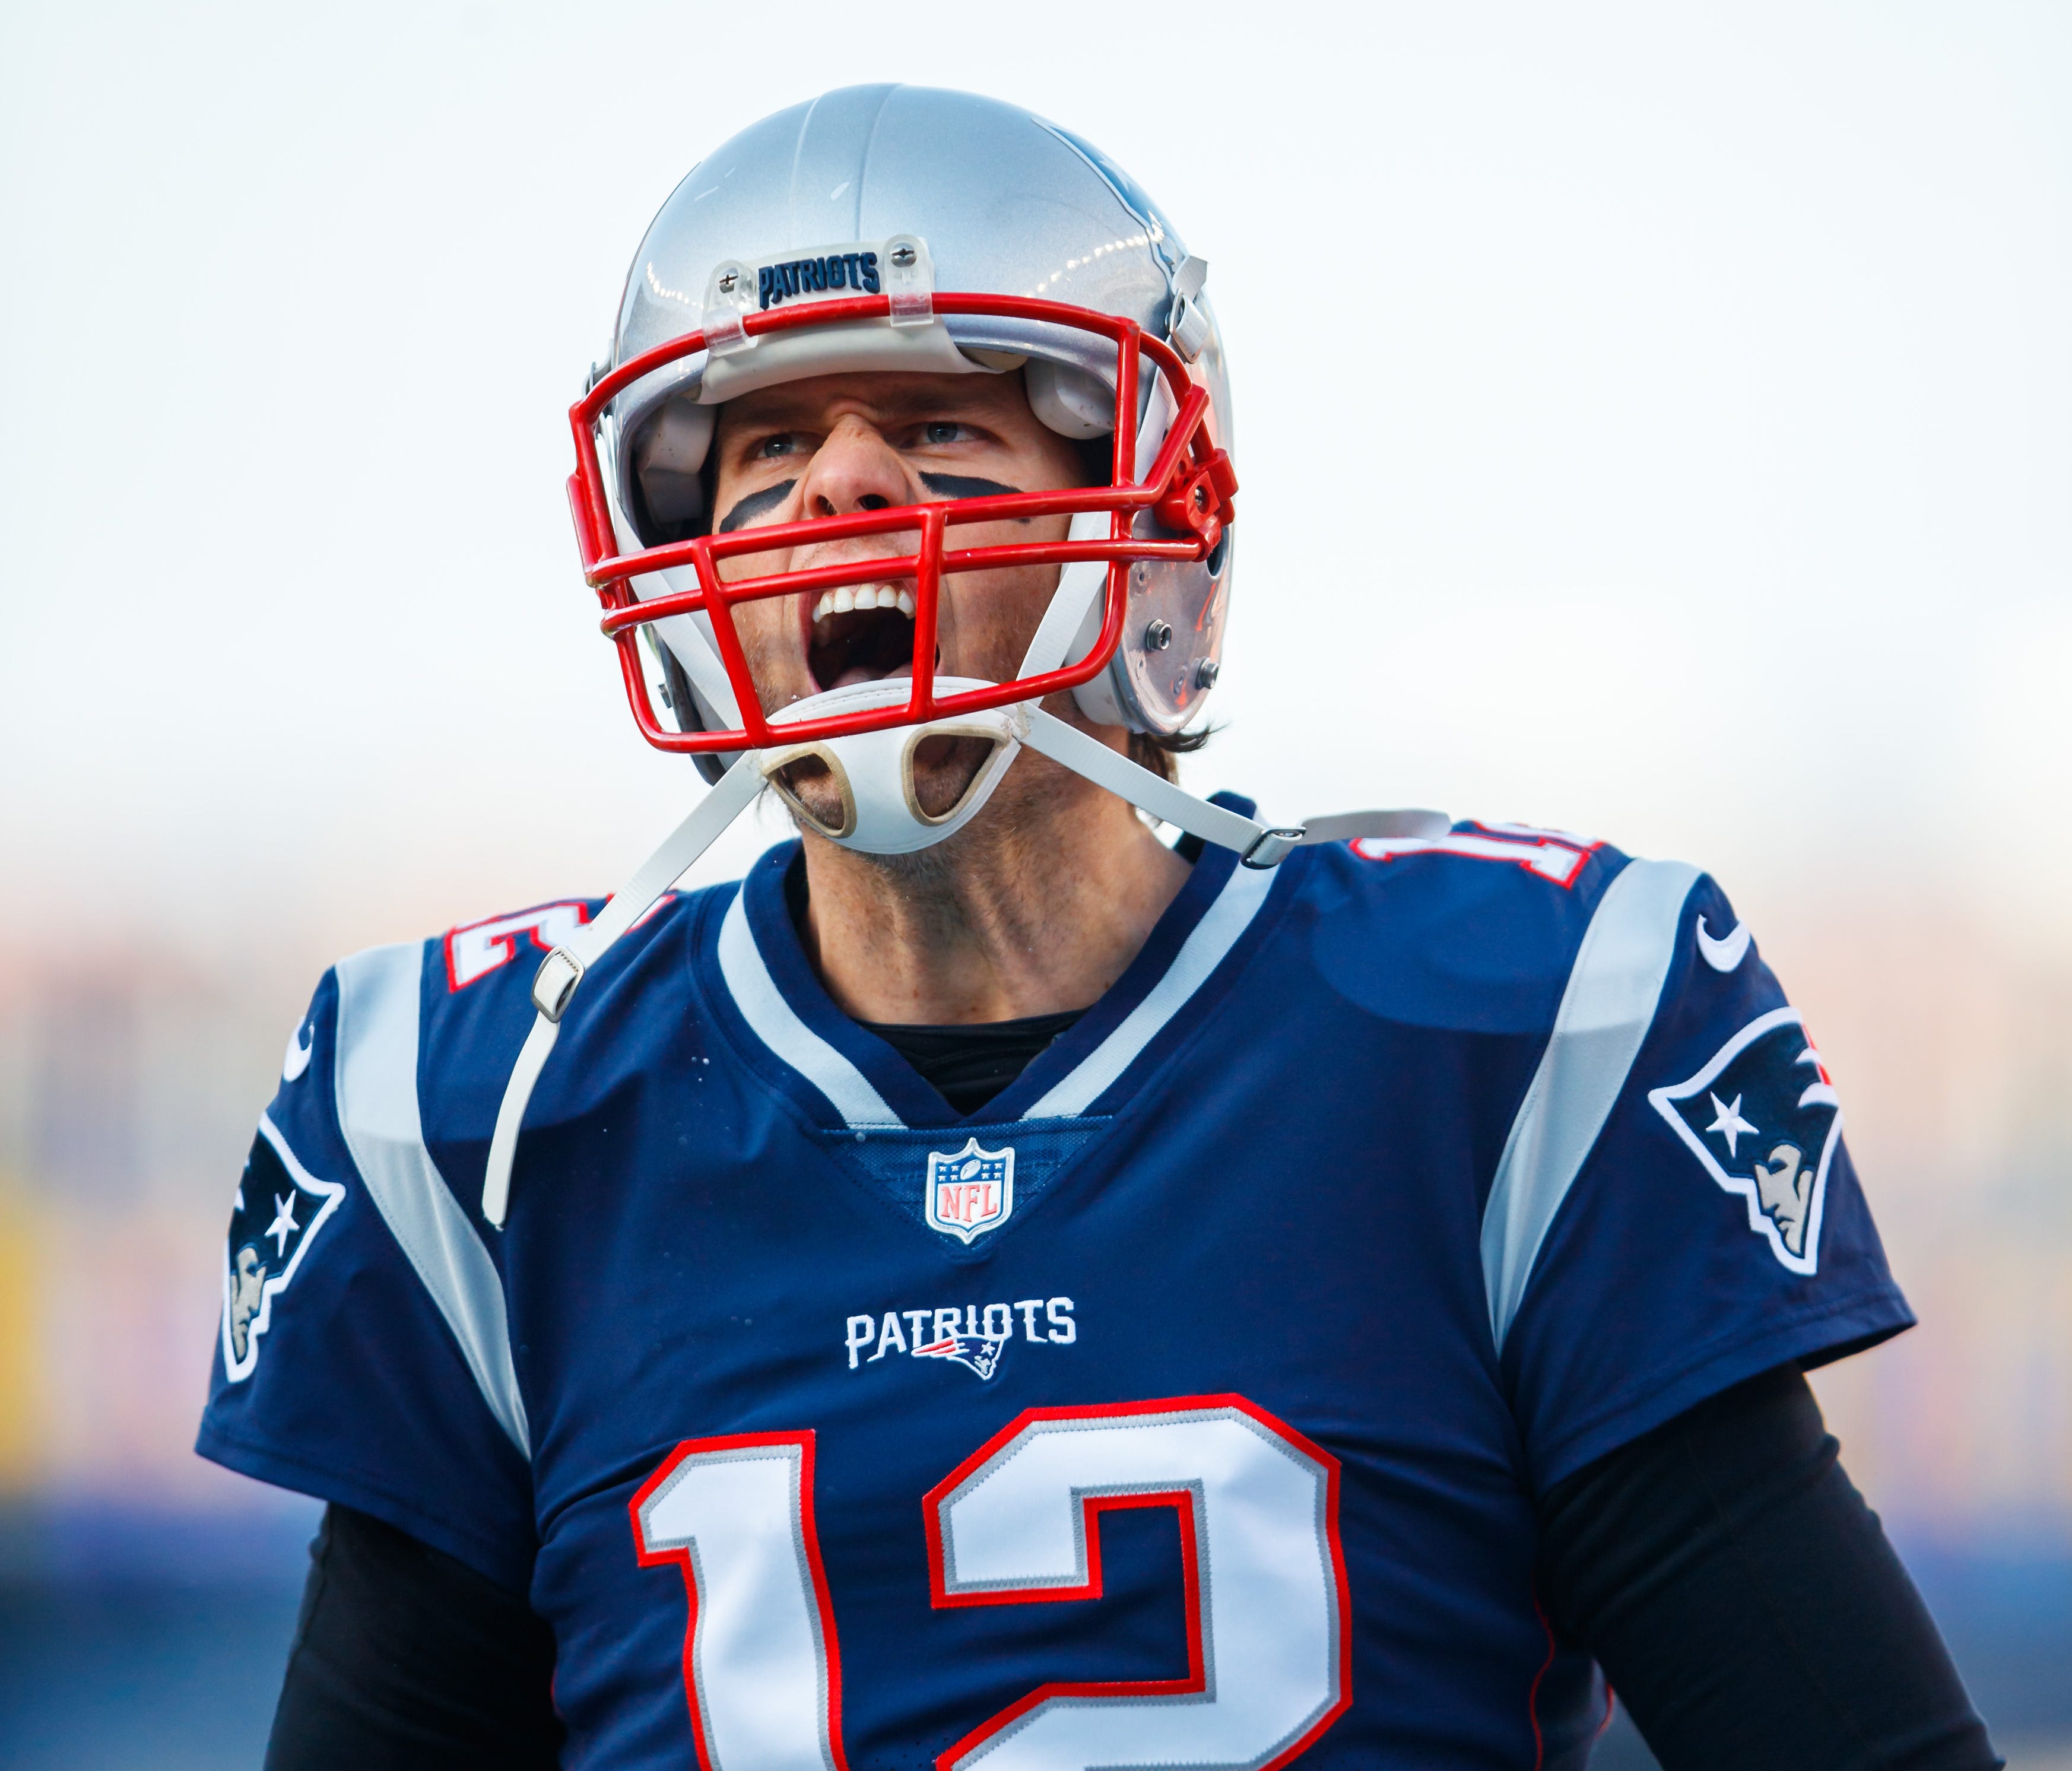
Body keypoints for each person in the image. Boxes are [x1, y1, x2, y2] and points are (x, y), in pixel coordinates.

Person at [198, 84, 1999, 1771]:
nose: (835, 495)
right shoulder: (498, 1107)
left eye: (937, 427)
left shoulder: (1498, 1039)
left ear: (1154, 522)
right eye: (758, 448)